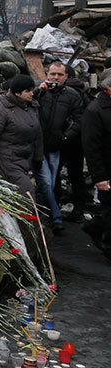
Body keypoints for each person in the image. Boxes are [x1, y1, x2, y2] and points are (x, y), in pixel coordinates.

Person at [34, 61, 83, 232]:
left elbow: (79, 119)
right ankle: (53, 216)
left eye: (60, 75)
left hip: (58, 146)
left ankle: (51, 215)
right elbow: (25, 104)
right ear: (47, 75)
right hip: (38, 145)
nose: (56, 77)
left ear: (66, 76)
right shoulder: (39, 91)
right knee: (46, 181)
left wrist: (66, 136)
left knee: (51, 181)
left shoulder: (72, 95)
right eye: (53, 74)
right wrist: (39, 91)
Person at [0, 75, 42, 197]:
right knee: (27, 190)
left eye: (32, 90)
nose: (32, 93)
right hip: (7, 160)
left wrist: (38, 157)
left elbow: (37, 134)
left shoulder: (31, 107)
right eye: (28, 91)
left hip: (25, 159)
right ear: (17, 93)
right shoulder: (1, 108)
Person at [81, 69, 111, 260]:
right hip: (107, 169)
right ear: (108, 87)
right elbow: (91, 147)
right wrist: (99, 177)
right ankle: (108, 247)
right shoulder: (95, 110)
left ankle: (94, 226)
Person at [59, 67, 90, 221]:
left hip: (65, 139)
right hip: (78, 141)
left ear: (66, 76)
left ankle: (57, 207)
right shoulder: (83, 93)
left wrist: (65, 136)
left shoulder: (67, 93)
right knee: (76, 174)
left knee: (56, 173)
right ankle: (79, 209)